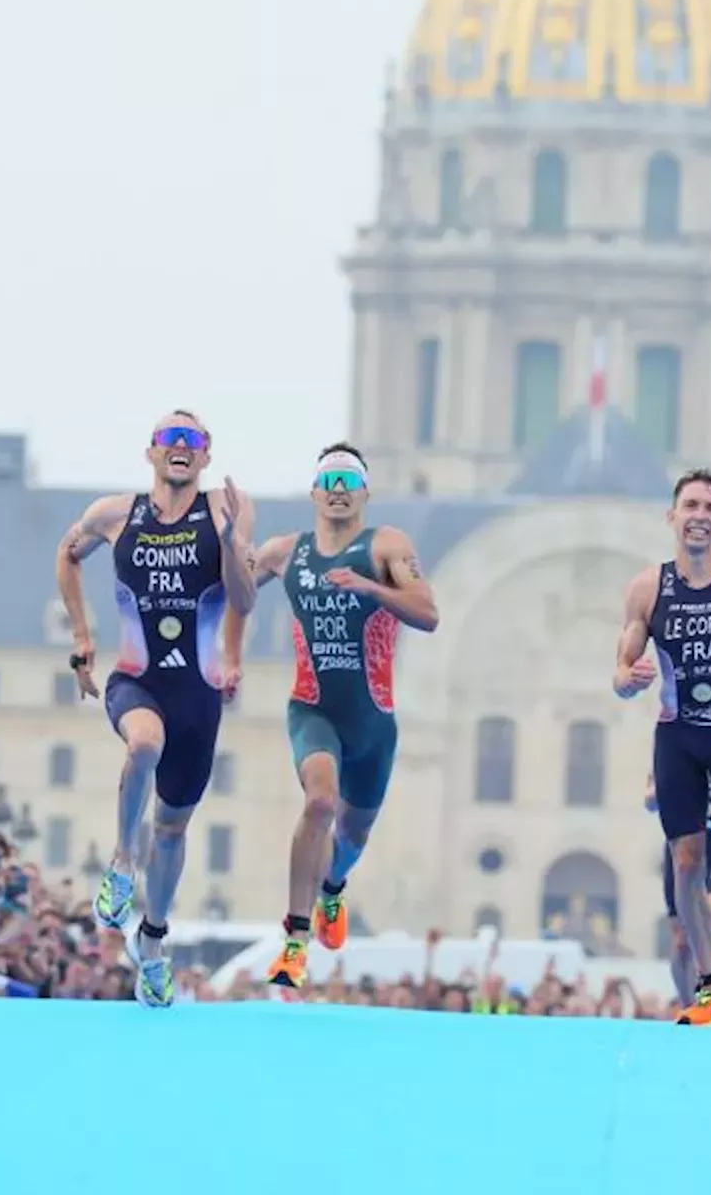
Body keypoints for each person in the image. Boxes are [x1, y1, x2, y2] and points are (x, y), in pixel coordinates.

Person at [54, 411, 256, 1008]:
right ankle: (121, 863)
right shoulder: (115, 514)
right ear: (151, 454)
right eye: (171, 438)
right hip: (137, 679)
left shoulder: (227, 509)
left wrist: (231, 543)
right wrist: (81, 635)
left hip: (198, 694)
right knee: (143, 743)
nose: (181, 447)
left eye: (192, 440)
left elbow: (244, 598)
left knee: (171, 828)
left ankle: (155, 942)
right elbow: (68, 555)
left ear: (206, 456)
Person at [223, 443, 438, 989]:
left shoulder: (387, 545)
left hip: (373, 721)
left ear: (364, 493)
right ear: (315, 494)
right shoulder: (284, 551)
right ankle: (294, 942)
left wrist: (370, 586)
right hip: (312, 707)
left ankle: (333, 890)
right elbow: (236, 594)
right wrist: (232, 544)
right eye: (329, 480)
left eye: (349, 480)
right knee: (319, 802)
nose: (339, 489)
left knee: (353, 833)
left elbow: (429, 613)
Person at [615, 468, 711, 1026]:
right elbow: (620, 671)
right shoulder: (648, 588)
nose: (700, 515)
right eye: (691, 506)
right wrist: (627, 678)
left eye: (710, 506)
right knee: (687, 860)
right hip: (678, 736)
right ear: (673, 517)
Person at [646, 771, 711, 1006]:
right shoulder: (674, 744)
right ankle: (689, 1003)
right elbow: (649, 802)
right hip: (682, 847)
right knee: (681, 939)